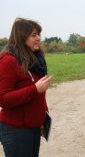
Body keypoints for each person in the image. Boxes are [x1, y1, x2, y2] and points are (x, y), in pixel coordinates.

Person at [0, 18, 52, 157]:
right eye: (33, 35)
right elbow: (3, 99)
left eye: (38, 34)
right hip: (15, 130)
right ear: (21, 37)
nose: (38, 39)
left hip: (33, 128)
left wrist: (42, 119)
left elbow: (39, 95)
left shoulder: (33, 60)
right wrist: (34, 89)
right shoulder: (8, 61)